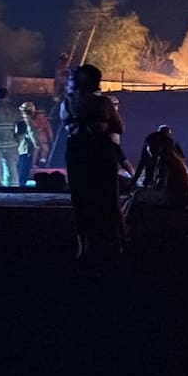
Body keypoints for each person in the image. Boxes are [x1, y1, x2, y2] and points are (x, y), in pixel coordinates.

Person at [61, 64, 127, 259]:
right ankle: (116, 242)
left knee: (82, 199)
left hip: (79, 152)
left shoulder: (68, 103)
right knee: (106, 198)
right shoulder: (103, 104)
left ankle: (85, 246)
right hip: (98, 152)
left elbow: (68, 125)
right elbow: (119, 127)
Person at [17, 102, 38, 187]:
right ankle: (21, 184)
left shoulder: (18, 118)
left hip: (18, 146)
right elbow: (31, 132)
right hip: (26, 147)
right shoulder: (27, 119)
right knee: (24, 167)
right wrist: (36, 143)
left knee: (19, 166)